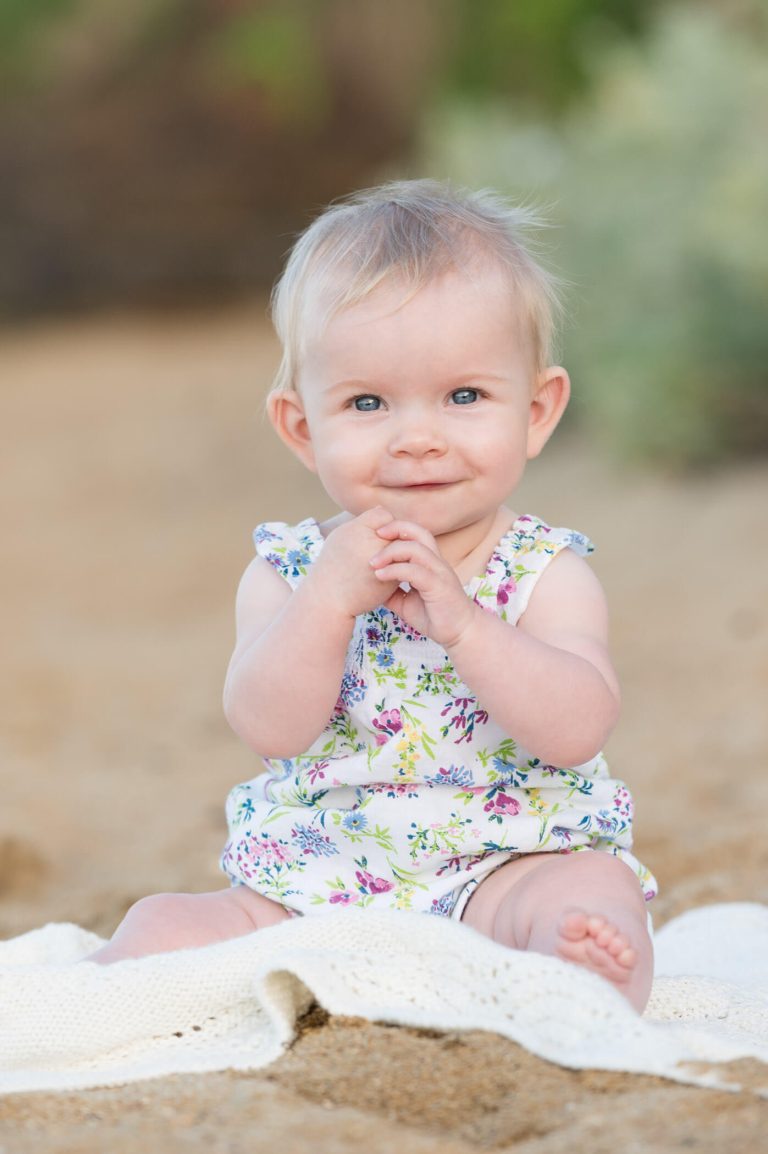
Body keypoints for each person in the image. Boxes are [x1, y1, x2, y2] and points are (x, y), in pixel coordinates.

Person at [90, 180, 657, 1012]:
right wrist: (325, 602)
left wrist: (467, 626)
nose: (417, 437)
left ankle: (578, 985)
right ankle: (108, 1007)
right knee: (161, 923)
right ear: (302, 429)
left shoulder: (543, 570)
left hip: (504, 866)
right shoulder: (288, 571)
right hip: (316, 880)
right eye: (367, 403)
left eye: (464, 397)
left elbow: (578, 730)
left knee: (590, 894)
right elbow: (269, 727)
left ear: (537, 411)